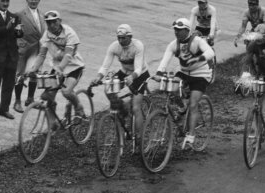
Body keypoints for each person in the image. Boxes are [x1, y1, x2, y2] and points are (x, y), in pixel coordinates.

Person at [153, 18, 214, 149]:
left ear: (187, 30)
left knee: (193, 104)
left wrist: (198, 58)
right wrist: (159, 72)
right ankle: (181, 107)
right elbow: (165, 59)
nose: (176, 32)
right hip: (185, 72)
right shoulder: (174, 44)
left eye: (179, 30)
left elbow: (210, 52)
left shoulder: (197, 41)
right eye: (175, 30)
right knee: (171, 89)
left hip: (201, 74)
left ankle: (191, 136)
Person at [90, 24, 150, 142]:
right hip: (124, 72)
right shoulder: (114, 46)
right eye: (119, 38)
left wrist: (132, 77)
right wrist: (98, 77)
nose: (120, 40)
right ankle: (122, 109)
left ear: (130, 36)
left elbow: (138, 68)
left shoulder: (138, 46)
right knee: (108, 89)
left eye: (123, 38)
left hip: (140, 74)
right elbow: (105, 66)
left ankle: (140, 138)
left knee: (136, 108)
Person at [28, 11, 86, 127]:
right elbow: (42, 55)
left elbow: (69, 55)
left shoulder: (69, 32)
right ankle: (53, 123)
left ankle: (78, 107)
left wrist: (60, 68)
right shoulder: (47, 35)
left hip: (74, 66)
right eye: (49, 23)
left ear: (60, 21)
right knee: (47, 96)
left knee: (66, 91)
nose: (52, 25)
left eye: (54, 22)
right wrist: (32, 69)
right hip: (57, 67)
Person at [13, 0, 45, 113]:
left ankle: (30, 99)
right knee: (20, 75)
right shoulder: (20, 14)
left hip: (37, 49)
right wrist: (20, 44)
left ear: (39, 0)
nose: (33, 1)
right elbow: (15, 33)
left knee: (34, 74)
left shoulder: (42, 15)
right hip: (24, 49)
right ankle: (17, 101)